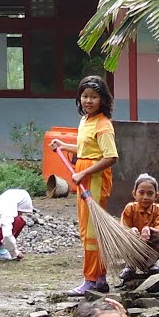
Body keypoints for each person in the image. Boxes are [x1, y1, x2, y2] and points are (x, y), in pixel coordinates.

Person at [51, 75, 118, 296]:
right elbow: (85, 150)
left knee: (91, 232)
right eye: (85, 96)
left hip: (96, 180)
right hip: (84, 176)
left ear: (103, 99)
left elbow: (110, 157)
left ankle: (90, 280)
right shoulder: (86, 121)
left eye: (94, 97)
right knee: (88, 230)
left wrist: (84, 173)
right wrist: (64, 145)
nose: (88, 100)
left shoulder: (103, 125)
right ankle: (100, 278)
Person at [117, 172, 159, 285]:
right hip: (132, 244)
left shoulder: (158, 209)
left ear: (156, 195)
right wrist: (132, 231)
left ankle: (150, 264)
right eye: (141, 193)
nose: (145, 197)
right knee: (125, 238)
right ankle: (130, 266)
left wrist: (149, 229)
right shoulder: (130, 208)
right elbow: (122, 229)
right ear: (134, 194)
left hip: (148, 244)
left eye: (150, 194)